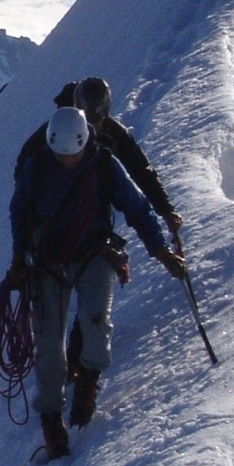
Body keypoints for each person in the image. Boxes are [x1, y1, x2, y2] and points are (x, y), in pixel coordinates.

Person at [10, 106, 185, 460]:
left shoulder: (105, 165)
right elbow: (20, 212)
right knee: (48, 339)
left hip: (92, 253)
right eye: (62, 155)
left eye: (72, 155)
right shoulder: (40, 166)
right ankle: (52, 416)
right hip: (48, 260)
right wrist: (18, 260)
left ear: (83, 143)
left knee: (96, 321)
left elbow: (138, 209)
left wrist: (162, 251)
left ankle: (88, 381)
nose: (68, 161)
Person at [16, 77, 184, 384]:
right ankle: (74, 366)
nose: (91, 124)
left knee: (90, 293)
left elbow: (138, 174)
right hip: (54, 234)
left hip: (88, 229)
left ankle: (79, 364)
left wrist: (164, 210)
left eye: (95, 117)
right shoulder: (62, 133)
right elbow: (25, 180)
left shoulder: (95, 137)